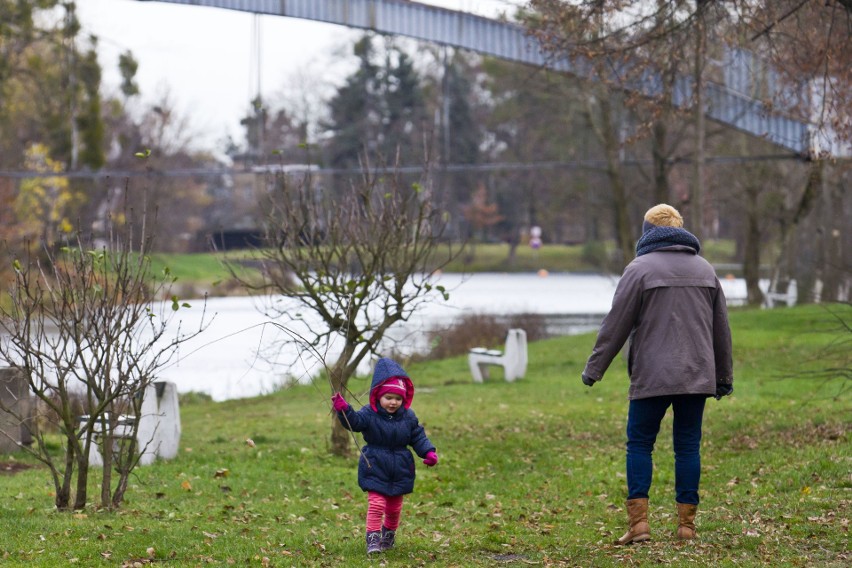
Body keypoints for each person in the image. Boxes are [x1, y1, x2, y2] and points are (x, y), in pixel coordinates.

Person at [581, 203, 733, 545]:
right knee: (688, 446)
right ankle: (686, 528)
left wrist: (594, 369)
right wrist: (723, 377)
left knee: (639, 444)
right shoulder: (705, 270)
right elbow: (721, 330)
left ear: (648, 231)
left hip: (652, 376)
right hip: (696, 376)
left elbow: (615, 325)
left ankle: (639, 526)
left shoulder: (639, 269)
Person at [331, 357, 438, 555]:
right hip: (375, 463)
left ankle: (388, 535)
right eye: (389, 397)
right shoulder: (369, 414)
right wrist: (344, 410)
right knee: (377, 503)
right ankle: (373, 539)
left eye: (398, 399)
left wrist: (429, 452)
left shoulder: (408, 417)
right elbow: (354, 422)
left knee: (394, 508)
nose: (393, 402)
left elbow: (417, 436)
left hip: (400, 467)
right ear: (378, 395)